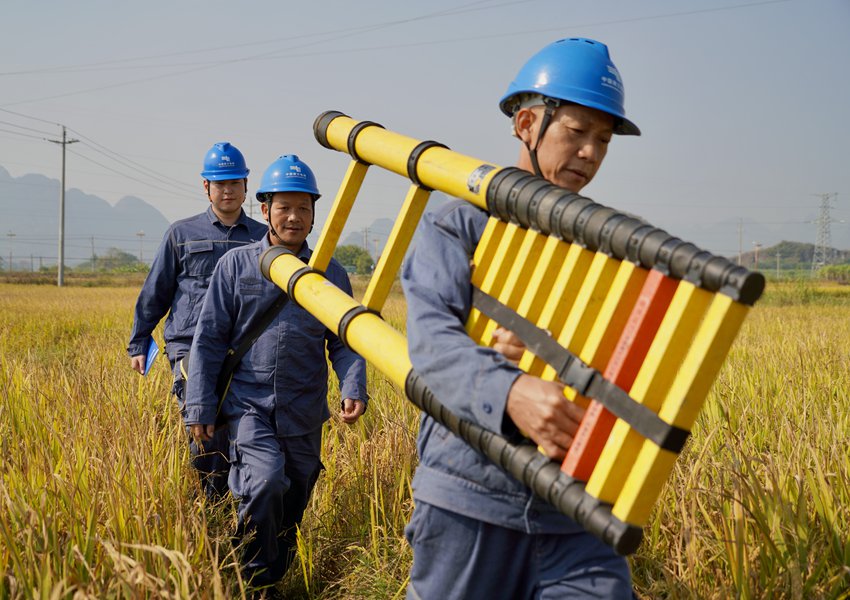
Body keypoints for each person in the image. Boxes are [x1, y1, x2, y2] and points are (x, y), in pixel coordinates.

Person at [401, 37, 640, 599]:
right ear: (526, 124)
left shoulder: (611, 247)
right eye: (576, 133)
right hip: (468, 496)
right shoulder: (457, 225)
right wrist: (507, 390)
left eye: (603, 140)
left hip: (576, 511)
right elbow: (431, 342)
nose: (590, 153)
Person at [183, 154, 368, 590]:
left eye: (304, 208)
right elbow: (207, 340)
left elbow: (343, 340)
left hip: (303, 411)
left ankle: (274, 569)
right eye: (284, 207)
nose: (295, 217)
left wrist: (353, 384)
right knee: (265, 484)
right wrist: (200, 407)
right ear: (264, 209)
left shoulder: (329, 273)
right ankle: (254, 582)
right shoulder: (236, 267)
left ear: (314, 214)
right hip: (248, 408)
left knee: (295, 496)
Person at [127, 142, 267, 500]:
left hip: (244, 346)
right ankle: (211, 503)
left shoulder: (262, 238)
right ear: (206, 187)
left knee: (244, 426)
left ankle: (241, 499)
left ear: (246, 186)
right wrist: (139, 341)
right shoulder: (181, 234)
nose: (228, 190)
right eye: (220, 184)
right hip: (190, 344)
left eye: (235, 183)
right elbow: (156, 291)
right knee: (203, 418)